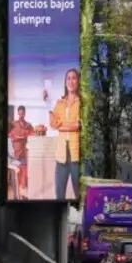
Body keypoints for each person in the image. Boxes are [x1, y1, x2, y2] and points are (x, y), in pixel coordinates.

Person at [48, 68, 82, 200]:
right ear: (65, 82)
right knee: (59, 195)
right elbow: (53, 124)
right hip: (61, 156)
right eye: (68, 78)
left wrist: (62, 127)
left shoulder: (82, 102)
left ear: (78, 80)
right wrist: (49, 107)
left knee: (79, 194)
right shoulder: (59, 103)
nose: (71, 81)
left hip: (77, 156)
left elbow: (80, 125)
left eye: (74, 77)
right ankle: (59, 219)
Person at [7, 105, 35, 199]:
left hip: (25, 154)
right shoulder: (13, 124)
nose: (21, 115)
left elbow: (33, 136)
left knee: (24, 177)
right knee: (15, 177)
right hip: (14, 154)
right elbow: (9, 136)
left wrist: (25, 137)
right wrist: (17, 137)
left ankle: (23, 196)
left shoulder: (29, 125)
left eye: (22, 113)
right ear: (17, 113)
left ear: (25, 113)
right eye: (19, 113)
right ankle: (15, 197)